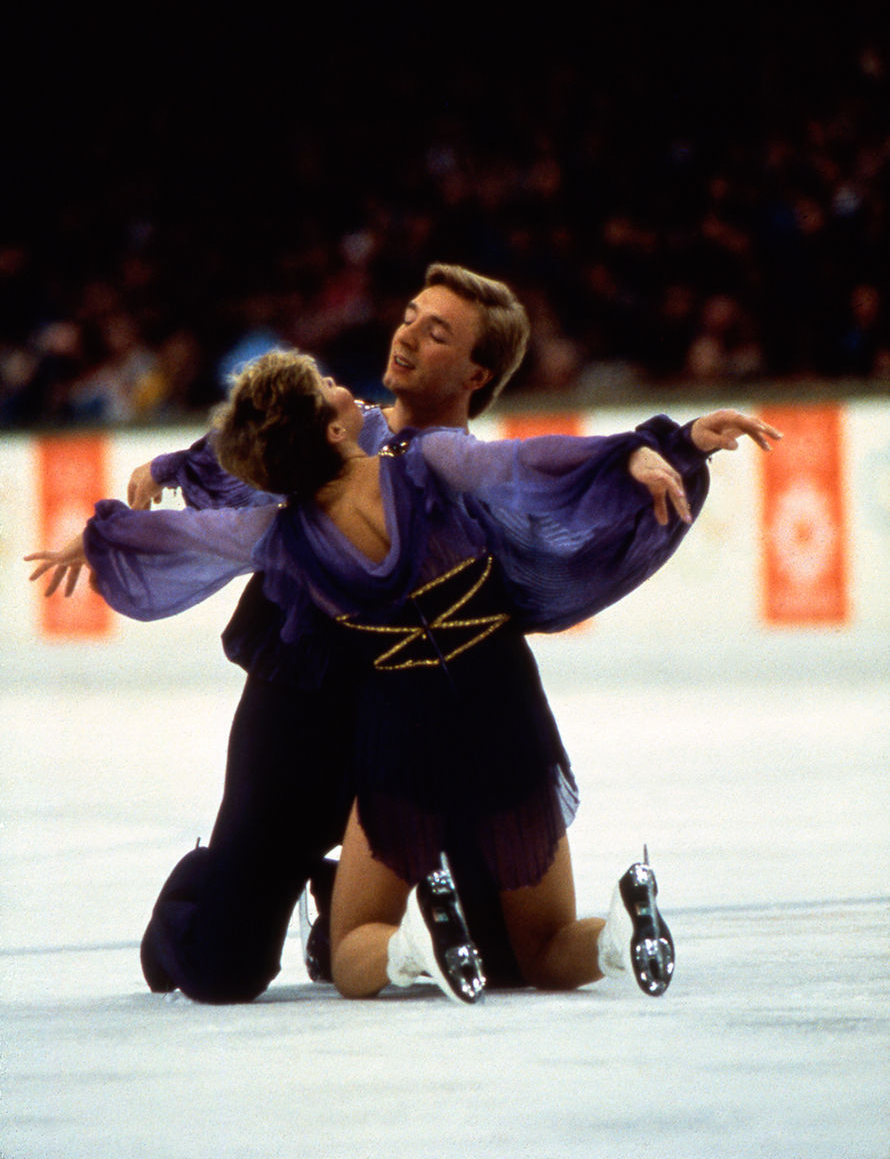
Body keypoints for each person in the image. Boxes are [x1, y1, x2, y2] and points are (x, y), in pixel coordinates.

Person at [27, 350, 781, 1004]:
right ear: (329, 430)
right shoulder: (425, 464)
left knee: (359, 940)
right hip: (505, 712)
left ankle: (407, 948)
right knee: (544, 947)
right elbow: (523, 464)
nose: (344, 386)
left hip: (404, 728)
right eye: (327, 389)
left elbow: (181, 534)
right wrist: (657, 443)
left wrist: (97, 539)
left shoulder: (278, 533)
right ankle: (618, 934)